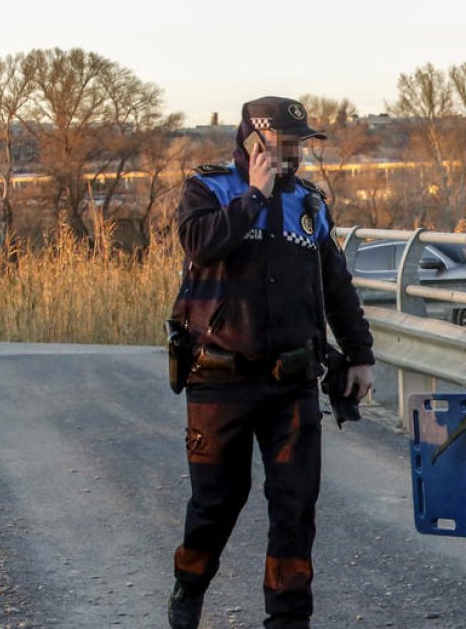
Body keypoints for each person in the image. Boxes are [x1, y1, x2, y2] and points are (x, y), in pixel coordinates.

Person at [166, 96, 375, 629]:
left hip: (293, 382)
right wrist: (255, 196)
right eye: (284, 143)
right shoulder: (208, 189)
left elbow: (337, 284)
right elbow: (200, 245)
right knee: (217, 503)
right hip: (219, 378)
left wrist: (359, 355)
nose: (294, 155)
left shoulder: (310, 202)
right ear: (254, 140)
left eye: (301, 145)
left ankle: (288, 619)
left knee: (294, 506)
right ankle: (189, 584)